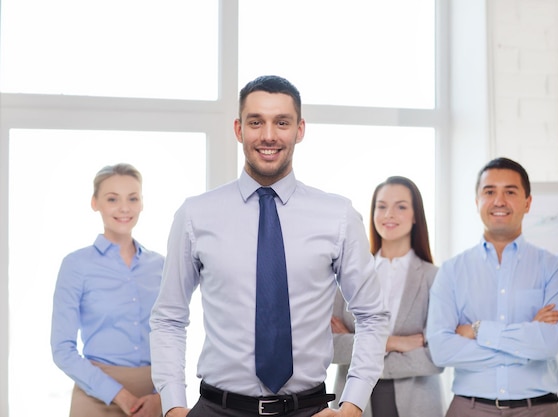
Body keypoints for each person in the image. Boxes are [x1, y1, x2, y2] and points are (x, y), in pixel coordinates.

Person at [149, 75, 390, 417]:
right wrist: (173, 406)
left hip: (309, 409)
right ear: (238, 129)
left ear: (300, 129)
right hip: (218, 409)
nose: (268, 135)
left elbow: (372, 315)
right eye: (256, 122)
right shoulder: (195, 215)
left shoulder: (337, 216)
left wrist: (351, 406)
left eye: (282, 122)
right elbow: (169, 317)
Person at [426, 157, 558, 417]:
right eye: (489, 191)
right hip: (468, 408)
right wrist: (526, 346)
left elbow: (549, 344)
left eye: (510, 191)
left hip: (538, 409)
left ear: (527, 203)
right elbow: (441, 350)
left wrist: (478, 330)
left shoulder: (555, 269)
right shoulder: (451, 271)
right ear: (477, 202)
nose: (499, 201)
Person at [51, 163, 164, 417]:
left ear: (142, 203)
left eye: (132, 198)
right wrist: (120, 396)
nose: (124, 208)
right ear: (95, 203)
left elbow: (172, 334)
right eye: (112, 199)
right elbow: (62, 349)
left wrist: (162, 396)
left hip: (153, 396)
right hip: (95, 394)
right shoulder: (76, 265)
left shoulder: (161, 265)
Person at [331, 176, 444, 417]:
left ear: (416, 216)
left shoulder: (434, 278)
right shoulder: (348, 272)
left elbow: (435, 356)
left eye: (401, 206)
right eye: (381, 206)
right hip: (352, 402)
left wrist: (359, 344)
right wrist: (395, 343)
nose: (389, 214)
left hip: (417, 402)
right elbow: (327, 346)